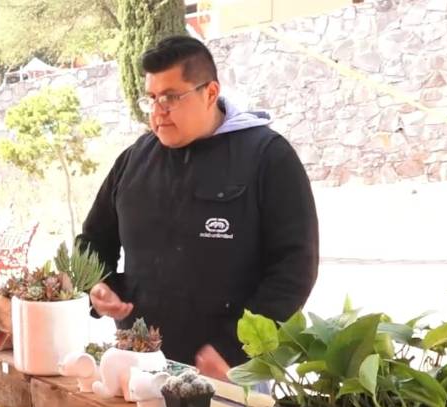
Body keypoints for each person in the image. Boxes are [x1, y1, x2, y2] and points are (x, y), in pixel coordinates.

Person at [78, 36, 319, 380]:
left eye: (171, 97)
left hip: (229, 372)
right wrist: (97, 285)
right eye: (151, 98)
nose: (159, 111)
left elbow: (294, 269)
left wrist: (235, 349)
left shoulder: (267, 157)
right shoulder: (134, 160)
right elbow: (92, 239)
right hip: (138, 364)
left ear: (210, 93)